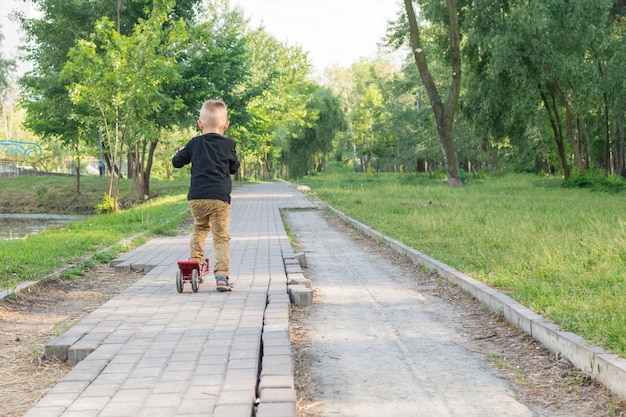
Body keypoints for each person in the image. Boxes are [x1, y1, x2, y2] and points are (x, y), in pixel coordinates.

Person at [172, 99, 240, 291]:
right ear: (225, 125)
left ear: (199, 124)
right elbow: (234, 167)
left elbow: (177, 161)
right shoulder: (228, 144)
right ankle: (221, 276)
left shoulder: (194, 144)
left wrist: (181, 152)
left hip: (197, 197)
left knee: (200, 228)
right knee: (220, 237)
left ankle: (193, 264)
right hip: (219, 198)